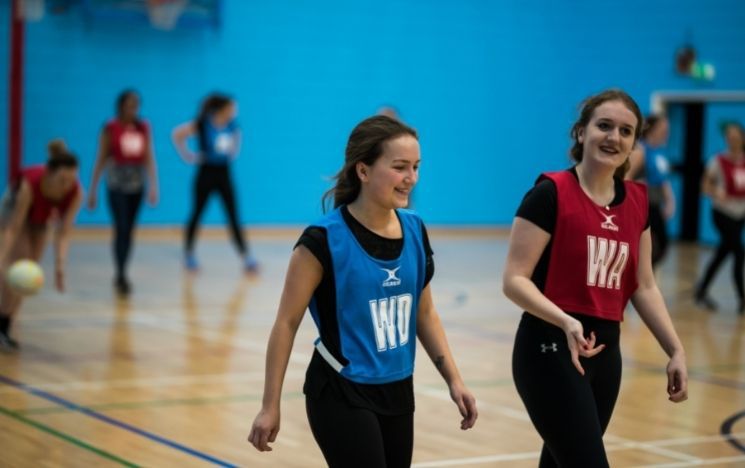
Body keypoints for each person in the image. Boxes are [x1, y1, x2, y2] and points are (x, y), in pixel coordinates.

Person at [248, 115, 477, 467]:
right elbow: (286, 323)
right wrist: (270, 405)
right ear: (364, 171)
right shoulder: (322, 241)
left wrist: (455, 379)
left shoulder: (415, 230)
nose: (411, 179)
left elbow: (424, 313)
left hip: (399, 388)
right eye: (400, 167)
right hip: (341, 390)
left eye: (416, 167)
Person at [502, 89, 688, 467]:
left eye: (625, 131)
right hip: (549, 348)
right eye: (604, 126)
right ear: (581, 132)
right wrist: (565, 320)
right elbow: (514, 280)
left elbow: (645, 286)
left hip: (606, 354)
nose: (613, 137)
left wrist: (676, 349)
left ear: (635, 142)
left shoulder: (637, 202)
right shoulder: (549, 194)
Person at [0, 140, 82, 351]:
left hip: (40, 220)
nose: (67, 186)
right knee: (16, 265)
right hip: (15, 213)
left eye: (71, 180)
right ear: (49, 173)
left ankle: (6, 326)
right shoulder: (31, 184)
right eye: (62, 180)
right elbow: (13, 227)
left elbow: (63, 233)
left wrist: (60, 266)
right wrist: (2, 256)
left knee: (28, 275)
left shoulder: (75, 192)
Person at [171, 93, 258, 273]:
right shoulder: (203, 123)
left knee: (233, 214)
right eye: (232, 108)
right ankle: (188, 254)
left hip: (224, 174)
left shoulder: (233, 126)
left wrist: (230, 151)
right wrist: (189, 156)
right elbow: (177, 134)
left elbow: (234, 149)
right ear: (222, 108)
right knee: (197, 212)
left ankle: (246, 256)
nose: (234, 111)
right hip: (205, 173)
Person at [87, 89, 159, 296]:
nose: (132, 109)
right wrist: (93, 189)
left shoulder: (143, 127)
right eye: (129, 104)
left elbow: (148, 157)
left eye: (136, 105)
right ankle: (120, 273)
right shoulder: (111, 127)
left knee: (130, 231)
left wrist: (154, 185)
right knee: (121, 226)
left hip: (137, 182)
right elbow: (101, 157)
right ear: (120, 106)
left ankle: (123, 269)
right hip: (116, 182)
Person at [694, 122, 745, 314]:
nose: (732, 139)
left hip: (740, 215)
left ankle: (701, 290)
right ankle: (742, 299)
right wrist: (715, 190)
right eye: (729, 137)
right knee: (739, 253)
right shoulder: (718, 161)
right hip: (723, 214)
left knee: (722, 253)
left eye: (735, 136)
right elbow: (704, 185)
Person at [627, 114, 675, 267]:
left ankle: (641, 279)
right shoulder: (640, 150)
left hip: (655, 204)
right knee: (652, 246)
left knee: (660, 246)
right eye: (663, 128)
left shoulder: (660, 152)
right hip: (643, 205)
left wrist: (670, 201)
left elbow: (663, 180)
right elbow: (627, 178)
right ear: (652, 128)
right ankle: (638, 279)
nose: (667, 131)